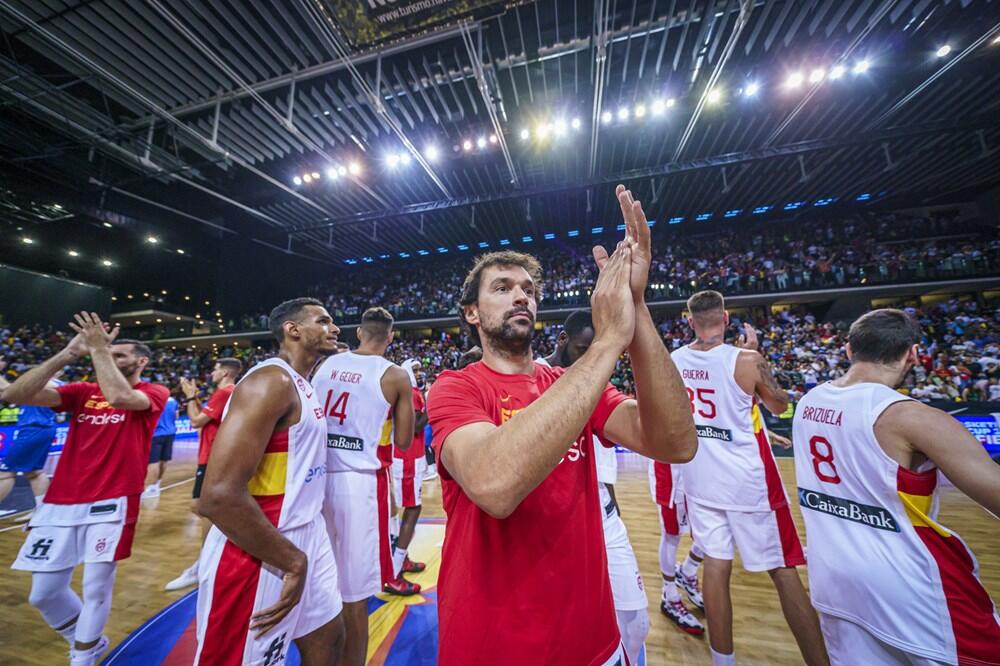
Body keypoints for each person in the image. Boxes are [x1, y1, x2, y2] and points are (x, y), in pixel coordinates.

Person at [426, 185, 697, 664]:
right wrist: (609, 339)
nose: (521, 297)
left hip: (592, 640)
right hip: (495, 645)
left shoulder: (572, 382)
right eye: (503, 288)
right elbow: (495, 486)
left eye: (529, 290)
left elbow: (675, 441)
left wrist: (636, 310)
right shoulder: (455, 387)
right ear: (471, 312)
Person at [793, 308, 1000, 666]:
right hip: (915, 591)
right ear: (912, 354)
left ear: (848, 351)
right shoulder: (911, 417)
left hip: (836, 583)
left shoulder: (807, 404)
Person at [3, 313, 168, 666]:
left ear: (142, 361)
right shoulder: (81, 393)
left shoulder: (153, 392)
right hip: (61, 502)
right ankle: (87, 641)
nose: (111, 356)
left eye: (120, 354)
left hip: (114, 500)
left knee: (95, 588)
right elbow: (14, 395)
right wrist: (67, 354)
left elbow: (120, 397)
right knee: (43, 595)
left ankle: (82, 657)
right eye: (110, 352)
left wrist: (97, 350)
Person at [673, 290, 828, 666]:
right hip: (748, 482)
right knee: (782, 570)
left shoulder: (674, 359)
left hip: (700, 478)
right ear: (725, 320)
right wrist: (758, 356)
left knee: (715, 565)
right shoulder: (746, 359)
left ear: (690, 321)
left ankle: (722, 662)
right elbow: (780, 404)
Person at [194, 298, 344, 665]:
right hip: (260, 543)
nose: (335, 328)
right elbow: (217, 495)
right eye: (323, 321)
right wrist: (291, 560)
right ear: (292, 330)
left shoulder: (302, 383)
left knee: (328, 637)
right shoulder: (269, 381)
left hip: (306, 530)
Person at [539, 309, 651, 663]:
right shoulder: (535, 376)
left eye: (596, 351)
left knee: (636, 622)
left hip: (602, 513)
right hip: (556, 524)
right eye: (582, 349)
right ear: (562, 341)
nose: (590, 359)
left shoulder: (599, 381)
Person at [312, 306, 415, 666]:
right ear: (391, 337)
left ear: (358, 332)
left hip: (315, 480)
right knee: (354, 596)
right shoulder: (396, 375)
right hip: (360, 486)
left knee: (319, 584)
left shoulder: (324, 365)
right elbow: (404, 441)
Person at [164, 357, 242, 591]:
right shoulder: (228, 392)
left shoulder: (224, 392)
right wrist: (195, 398)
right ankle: (215, 555)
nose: (212, 372)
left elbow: (197, 420)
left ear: (226, 373)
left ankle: (203, 564)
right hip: (215, 455)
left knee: (204, 508)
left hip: (212, 457)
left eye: (216, 369)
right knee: (200, 507)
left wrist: (189, 397)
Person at [647, 458, 705, 633]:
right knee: (672, 535)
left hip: (702, 468)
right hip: (671, 472)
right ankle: (670, 595)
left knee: (710, 533)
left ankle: (687, 571)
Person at [389, 358, 428, 588]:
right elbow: (415, 427)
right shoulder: (411, 392)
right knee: (412, 508)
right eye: (415, 369)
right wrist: (433, 403)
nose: (420, 372)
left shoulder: (412, 391)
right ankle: (395, 569)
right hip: (407, 458)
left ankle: (401, 558)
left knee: (411, 508)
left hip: (411, 457)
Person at [0, 367, 62, 513]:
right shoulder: (43, 384)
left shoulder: (52, 384)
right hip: (38, 429)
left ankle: (42, 511)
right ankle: (42, 511)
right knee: (34, 472)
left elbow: (9, 388)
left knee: (6, 473)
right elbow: (8, 392)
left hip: (35, 429)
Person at [142, 393, 178, 499]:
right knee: (164, 460)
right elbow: (176, 416)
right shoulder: (173, 401)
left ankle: (150, 488)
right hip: (170, 432)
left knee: (153, 462)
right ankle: (157, 484)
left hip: (156, 433)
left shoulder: (154, 399)